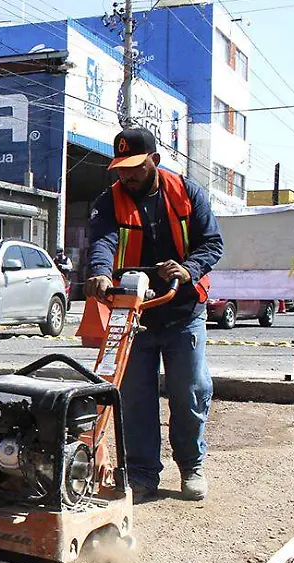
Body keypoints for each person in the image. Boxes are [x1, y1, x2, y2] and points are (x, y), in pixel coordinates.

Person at [84, 128, 224, 503]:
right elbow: (103, 241)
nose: (126, 175)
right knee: (134, 397)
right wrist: (100, 272)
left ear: (154, 161)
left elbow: (213, 243)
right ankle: (143, 474)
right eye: (121, 168)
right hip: (135, 313)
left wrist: (188, 269)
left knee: (189, 390)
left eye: (135, 167)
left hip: (182, 310)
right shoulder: (108, 201)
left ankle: (191, 466)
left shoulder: (187, 193)